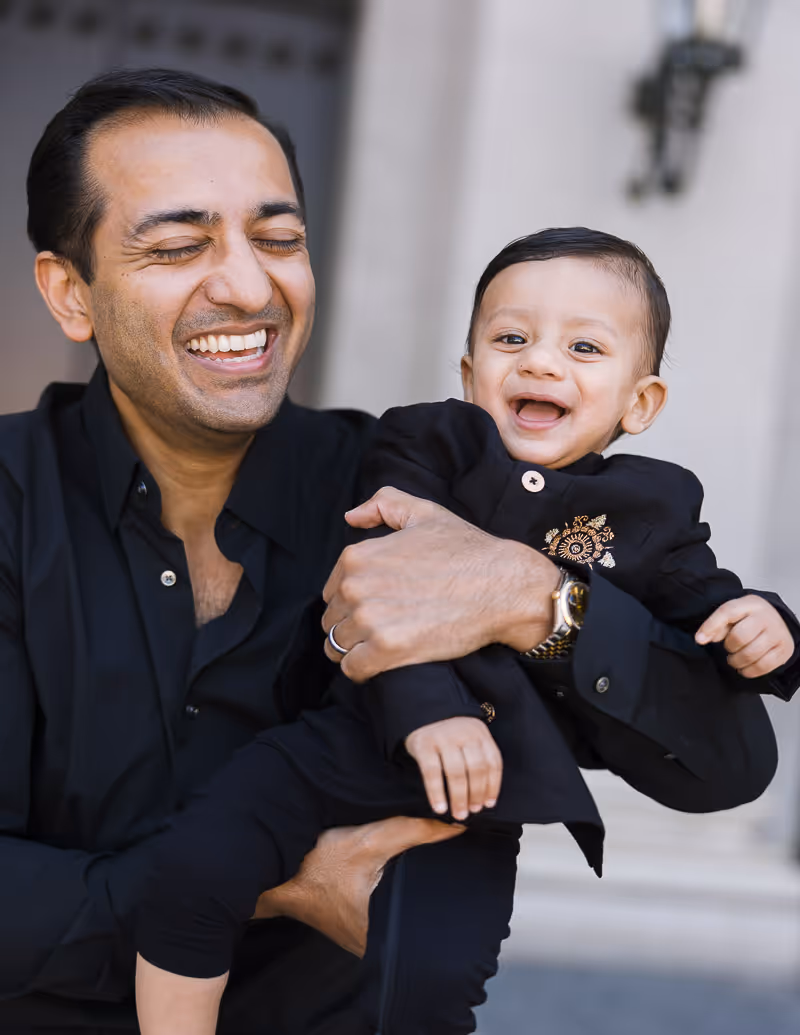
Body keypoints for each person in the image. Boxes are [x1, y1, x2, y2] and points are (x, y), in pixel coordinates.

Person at [0, 64, 794, 1034]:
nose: (248, 285)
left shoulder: (420, 487)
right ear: (70, 293)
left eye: (280, 239)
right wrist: (268, 887)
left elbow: (723, 765)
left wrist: (538, 604)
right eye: (177, 247)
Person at [133, 227, 798, 1035]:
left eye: (584, 347)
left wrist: (767, 626)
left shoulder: (652, 510)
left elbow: (702, 604)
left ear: (640, 401)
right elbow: (384, 575)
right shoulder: (426, 446)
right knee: (198, 865)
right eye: (511, 338)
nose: (542, 362)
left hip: (476, 804)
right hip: (340, 747)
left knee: (433, 977)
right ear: (469, 370)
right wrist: (429, 710)